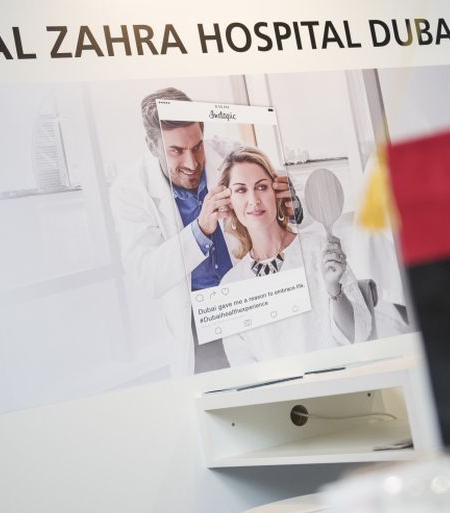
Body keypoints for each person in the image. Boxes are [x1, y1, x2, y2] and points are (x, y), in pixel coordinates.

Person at [109, 87, 296, 375]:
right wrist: (200, 230)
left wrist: (291, 203)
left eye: (196, 147)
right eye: (176, 151)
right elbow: (149, 277)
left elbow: (281, 215)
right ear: (152, 145)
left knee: (275, 374)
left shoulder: (231, 156)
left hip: (252, 296)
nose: (192, 163)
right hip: (200, 320)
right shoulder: (130, 191)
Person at [217, 146, 374, 365]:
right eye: (241, 190)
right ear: (229, 201)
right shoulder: (231, 285)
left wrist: (334, 288)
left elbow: (359, 335)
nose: (254, 200)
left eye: (261, 187)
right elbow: (243, 367)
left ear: (277, 192)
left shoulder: (320, 251)